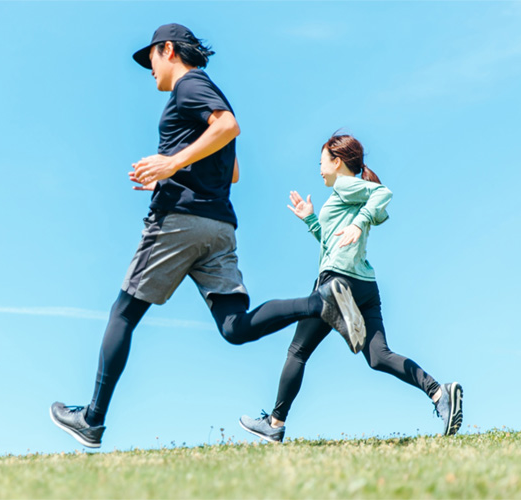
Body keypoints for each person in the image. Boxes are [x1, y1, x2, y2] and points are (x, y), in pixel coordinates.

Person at [49, 24, 366, 449]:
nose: (150, 71)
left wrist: (168, 165)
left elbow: (228, 126)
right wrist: (173, 170)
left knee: (123, 313)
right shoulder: (208, 94)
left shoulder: (190, 86)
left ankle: (92, 418)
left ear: (169, 50)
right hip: (218, 227)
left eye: (152, 60)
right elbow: (231, 170)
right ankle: (320, 302)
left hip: (178, 222)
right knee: (235, 327)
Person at [237, 133, 464, 443]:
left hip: (336, 282)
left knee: (298, 351)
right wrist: (311, 221)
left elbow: (383, 193)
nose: (319, 169)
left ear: (337, 161)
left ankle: (275, 423)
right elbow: (334, 243)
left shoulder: (347, 186)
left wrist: (359, 223)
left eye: (321, 162)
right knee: (378, 355)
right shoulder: (346, 196)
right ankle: (439, 393)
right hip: (364, 285)